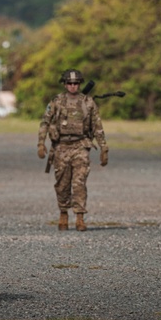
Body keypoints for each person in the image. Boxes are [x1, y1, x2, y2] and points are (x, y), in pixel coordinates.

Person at [36, 69, 108, 231]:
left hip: (81, 146)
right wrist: (41, 143)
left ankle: (80, 217)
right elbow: (45, 123)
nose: (73, 86)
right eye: (70, 83)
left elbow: (97, 126)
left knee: (79, 183)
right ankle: (63, 212)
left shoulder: (88, 103)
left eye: (76, 83)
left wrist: (104, 148)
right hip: (61, 148)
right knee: (62, 184)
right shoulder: (56, 102)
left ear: (80, 84)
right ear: (65, 84)